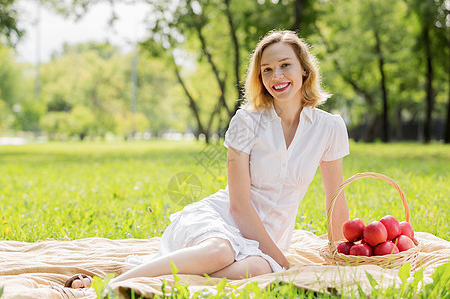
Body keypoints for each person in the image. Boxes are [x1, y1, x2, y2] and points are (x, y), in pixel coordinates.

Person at [66, 29, 350, 289]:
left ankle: (158, 271)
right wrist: (284, 263)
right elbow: (239, 206)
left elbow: (335, 199)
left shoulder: (329, 127)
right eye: (267, 69)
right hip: (219, 220)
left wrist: (345, 258)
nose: (277, 75)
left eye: (285, 65)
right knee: (222, 251)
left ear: (304, 69)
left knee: (255, 269)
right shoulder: (246, 122)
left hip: (266, 243)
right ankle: (108, 285)